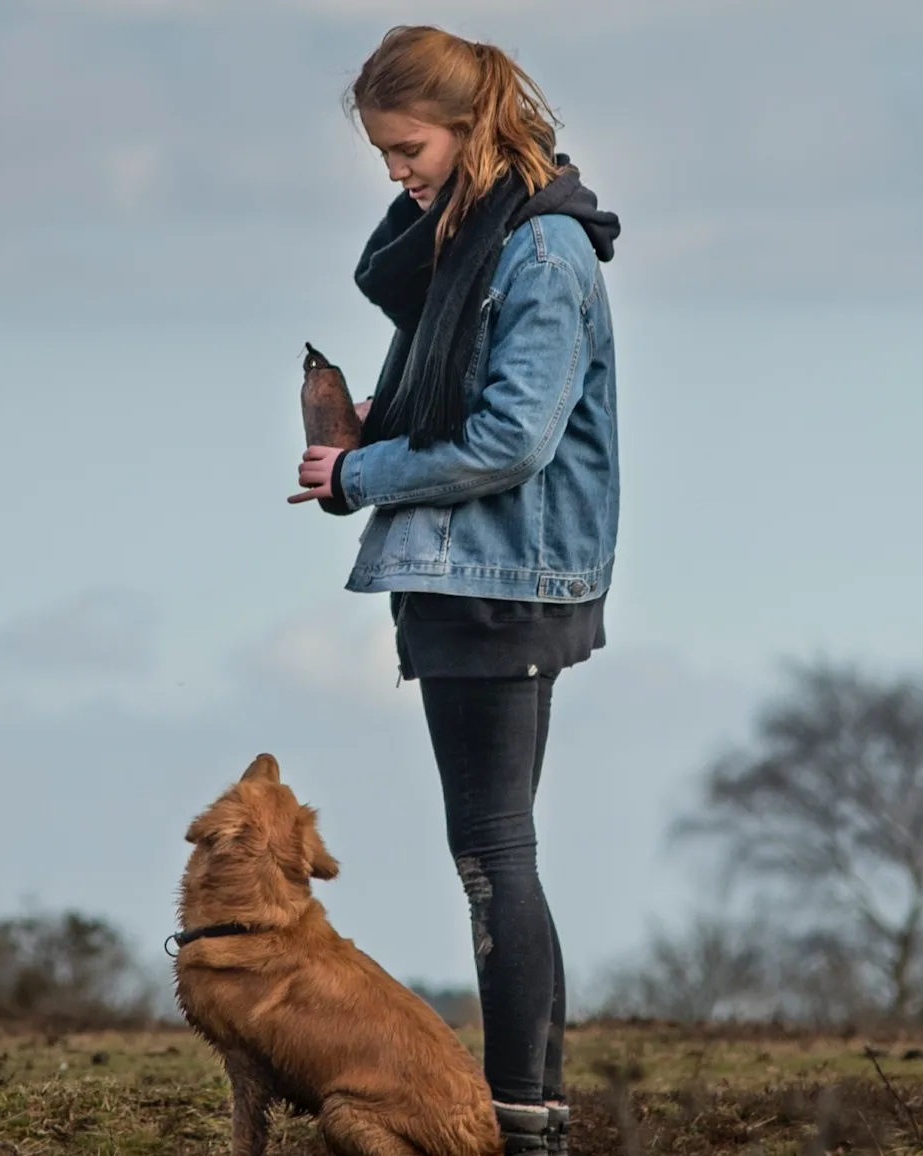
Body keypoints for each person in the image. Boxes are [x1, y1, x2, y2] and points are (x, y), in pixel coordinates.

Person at [285, 24, 621, 1156]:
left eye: (406, 147)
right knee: (497, 849)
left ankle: (523, 1125)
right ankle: (537, 1116)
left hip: (503, 578)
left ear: (470, 124)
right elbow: (470, 404)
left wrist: (360, 473)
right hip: (477, 572)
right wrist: (376, 430)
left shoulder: (538, 252)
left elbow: (513, 441)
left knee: (493, 854)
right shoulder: (476, 239)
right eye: (381, 154)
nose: (394, 172)